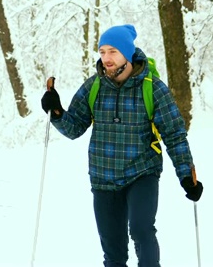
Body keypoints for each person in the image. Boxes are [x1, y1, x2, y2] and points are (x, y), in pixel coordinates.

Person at [40, 24, 203, 267]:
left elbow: (174, 134)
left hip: (142, 172)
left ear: (127, 53)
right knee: (113, 253)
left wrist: (185, 175)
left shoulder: (152, 88)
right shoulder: (93, 86)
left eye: (113, 51)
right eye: (102, 51)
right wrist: (56, 111)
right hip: (103, 177)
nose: (106, 58)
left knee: (141, 230)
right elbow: (74, 128)